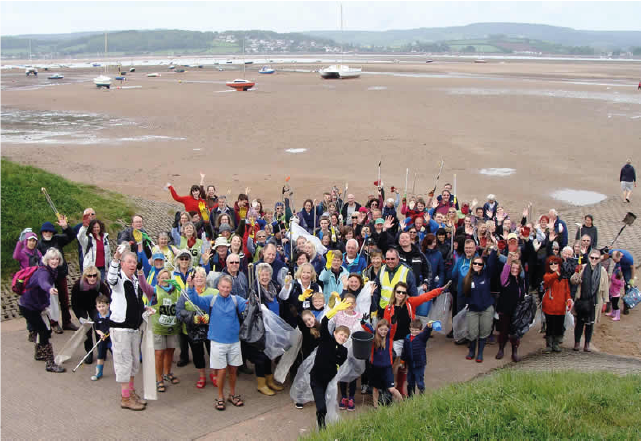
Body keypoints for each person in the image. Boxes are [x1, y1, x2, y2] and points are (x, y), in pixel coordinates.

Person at [186, 274, 247, 411]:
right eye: (223, 287)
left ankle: (232, 394)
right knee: (221, 371)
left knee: (233, 370)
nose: (225, 289)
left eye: (228, 287)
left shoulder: (236, 300)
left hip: (234, 341)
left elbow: (248, 306)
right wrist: (191, 287)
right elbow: (195, 300)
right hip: (217, 342)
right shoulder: (211, 300)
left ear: (231, 288)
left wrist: (255, 301)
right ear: (218, 286)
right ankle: (220, 396)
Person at [383, 280, 449, 395]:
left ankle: (400, 388)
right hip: (396, 340)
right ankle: (389, 388)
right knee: (394, 364)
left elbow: (425, 297)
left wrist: (439, 290)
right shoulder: (388, 308)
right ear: (394, 292)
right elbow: (385, 326)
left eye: (403, 292)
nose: (401, 295)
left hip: (409, 339)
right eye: (398, 292)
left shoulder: (410, 303)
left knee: (406, 364)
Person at [107, 248, 149, 411]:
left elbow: (135, 303)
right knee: (124, 362)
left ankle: (130, 392)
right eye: (129, 262)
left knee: (132, 362)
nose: (132, 265)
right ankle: (125, 398)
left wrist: (144, 309)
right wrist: (115, 259)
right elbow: (110, 278)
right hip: (121, 329)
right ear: (123, 264)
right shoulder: (118, 279)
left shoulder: (135, 281)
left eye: (134, 262)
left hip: (134, 328)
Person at [17, 248, 66, 373]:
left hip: (32, 305)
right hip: (28, 307)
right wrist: (49, 289)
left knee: (42, 329)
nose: (54, 261)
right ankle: (50, 362)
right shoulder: (43, 272)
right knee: (44, 332)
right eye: (52, 259)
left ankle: (39, 354)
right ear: (47, 260)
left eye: (57, 259)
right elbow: (43, 282)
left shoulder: (51, 270)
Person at [138, 268, 181, 392]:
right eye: (162, 277)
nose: (164, 279)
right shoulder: (154, 291)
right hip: (159, 327)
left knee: (170, 352)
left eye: (167, 277)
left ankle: (167, 373)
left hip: (172, 327)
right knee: (159, 354)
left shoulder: (176, 290)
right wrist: (140, 273)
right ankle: (159, 378)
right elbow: (144, 285)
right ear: (158, 279)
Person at [310, 302, 350, 429]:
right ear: (334, 333)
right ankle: (322, 427)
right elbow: (325, 320)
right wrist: (336, 310)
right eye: (341, 334)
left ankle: (325, 424)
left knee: (329, 404)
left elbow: (339, 363)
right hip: (316, 379)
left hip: (329, 380)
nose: (343, 337)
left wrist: (333, 372)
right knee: (321, 407)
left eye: (345, 336)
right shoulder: (326, 339)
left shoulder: (344, 351)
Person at [247, 263, 285, 395]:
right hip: (261, 329)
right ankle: (261, 383)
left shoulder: (274, 287)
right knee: (260, 356)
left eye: (267, 274)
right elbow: (251, 308)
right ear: (258, 275)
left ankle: (270, 380)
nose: (265, 277)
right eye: (262, 274)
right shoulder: (255, 289)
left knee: (269, 354)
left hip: (273, 327)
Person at [176, 267, 217, 389]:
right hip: (193, 330)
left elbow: (220, 309)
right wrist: (192, 318)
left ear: (206, 279)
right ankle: (202, 376)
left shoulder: (214, 292)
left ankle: (214, 374)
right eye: (196, 276)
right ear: (191, 279)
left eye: (202, 276)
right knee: (197, 353)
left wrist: (210, 317)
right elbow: (178, 312)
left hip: (210, 329)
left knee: (213, 352)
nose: (199, 278)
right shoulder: (185, 293)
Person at [38, 218, 78, 332]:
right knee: (51, 301)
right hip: (48, 278)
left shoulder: (57, 240)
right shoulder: (39, 245)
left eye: (50, 231)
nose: (48, 233)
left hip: (61, 274)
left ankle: (67, 322)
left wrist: (65, 227)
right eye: (45, 231)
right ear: (42, 233)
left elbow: (71, 236)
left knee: (64, 300)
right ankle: (54, 323)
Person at [461, 247, 497, 363]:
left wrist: (492, 251)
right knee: (472, 332)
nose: (477, 265)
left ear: (483, 266)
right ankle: (472, 350)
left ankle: (480, 352)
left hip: (486, 308)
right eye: (475, 263)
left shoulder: (486, 275)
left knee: (485, 330)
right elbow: (464, 294)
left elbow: (491, 264)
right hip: (473, 309)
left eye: (480, 264)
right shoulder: (467, 278)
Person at [71, 266, 112, 365]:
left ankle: (101, 350)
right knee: (87, 329)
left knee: (98, 326)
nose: (92, 278)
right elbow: (74, 303)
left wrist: (105, 307)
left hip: (94, 306)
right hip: (81, 307)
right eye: (90, 276)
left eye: (94, 276)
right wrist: (79, 317)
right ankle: (89, 351)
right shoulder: (78, 285)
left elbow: (107, 294)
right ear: (86, 276)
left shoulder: (99, 283)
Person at [571, 249, 609, 352]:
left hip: (594, 301)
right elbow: (573, 281)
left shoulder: (602, 271)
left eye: (596, 258)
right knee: (579, 322)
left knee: (590, 324)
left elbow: (605, 287)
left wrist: (606, 302)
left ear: (599, 259)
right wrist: (576, 273)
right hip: (582, 299)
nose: (594, 260)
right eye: (592, 257)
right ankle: (577, 342)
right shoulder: (582, 268)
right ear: (589, 258)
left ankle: (587, 344)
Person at [361, 319, 403, 409]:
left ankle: (403, 404)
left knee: (392, 389)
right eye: (381, 329)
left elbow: (393, 328)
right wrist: (363, 323)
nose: (383, 332)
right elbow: (368, 328)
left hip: (387, 368)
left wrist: (394, 322)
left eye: (385, 329)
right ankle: (376, 406)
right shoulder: (374, 336)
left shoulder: (389, 337)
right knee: (375, 388)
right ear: (377, 329)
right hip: (375, 367)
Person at [496, 255, 527, 362]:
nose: (514, 270)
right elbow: (506, 269)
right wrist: (509, 260)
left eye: (516, 268)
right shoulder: (506, 279)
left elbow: (523, 293)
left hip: (517, 310)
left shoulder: (521, 280)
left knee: (515, 332)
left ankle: (514, 351)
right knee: (503, 331)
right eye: (513, 268)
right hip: (505, 309)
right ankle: (501, 349)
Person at [542, 256, 572, 354]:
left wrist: (568, 299)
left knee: (559, 326)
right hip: (550, 306)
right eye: (551, 263)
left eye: (555, 263)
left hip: (560, 307)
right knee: (550, 326)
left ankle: (555, 344)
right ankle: (549, 345)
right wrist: (557, 273)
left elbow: (567, 290)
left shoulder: (564, 278)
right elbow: (548, 280)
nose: (553, 265)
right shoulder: (547, 275)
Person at [401, 319, 433, 396]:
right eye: (412, 330)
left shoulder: (421, 337)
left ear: (420, 330)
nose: (414, 332)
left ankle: (422, 395)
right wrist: (402, 361)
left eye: (416, 330)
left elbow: (426, 332)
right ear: (410, 329)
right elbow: (404, 351)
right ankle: (410, 397)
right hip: (410, 364)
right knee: (410, 382)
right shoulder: (407, 338)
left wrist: (428, 327)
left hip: (419, 364)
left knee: (419, 382)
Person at [90, 295, 112, 381]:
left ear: (108, 305)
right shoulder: (96, 316)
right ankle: (98, 373)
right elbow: (97, 329)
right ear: (96, 307)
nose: (101, 308)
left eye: (103, 306)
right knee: (100, 356)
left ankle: (120, 372)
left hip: (112, 339)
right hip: (103, 339)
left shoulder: (112, 314)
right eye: (99, 306)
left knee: (116, 355)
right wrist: (101, 333)